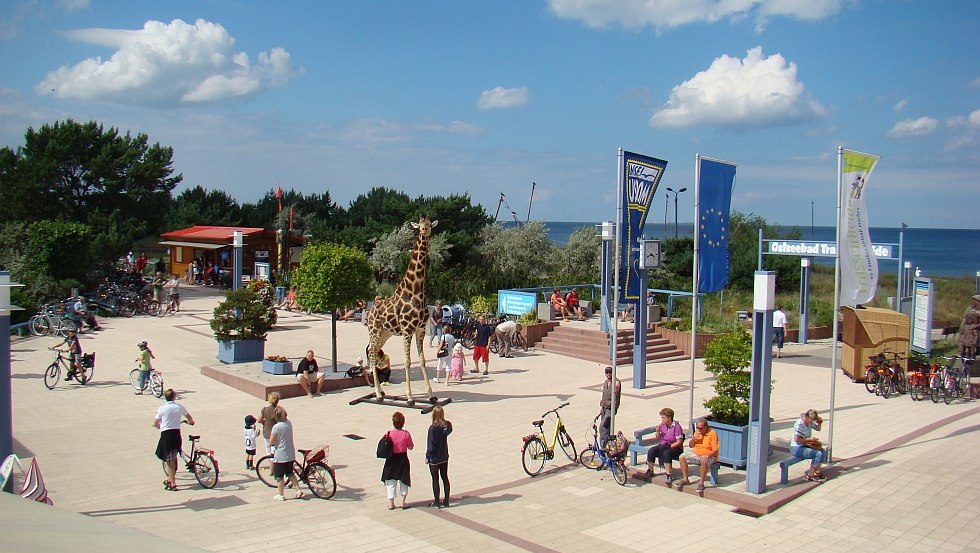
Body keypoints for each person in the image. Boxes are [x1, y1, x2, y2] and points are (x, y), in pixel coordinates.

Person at [153, 389, 195, 491]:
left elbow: (155, 422)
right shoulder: (179, 407)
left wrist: (158, 426)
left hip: (166, 436)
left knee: (170, 461)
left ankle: (172, 484)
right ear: (174, 397)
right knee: (172, 457)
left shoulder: (162, 408)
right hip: (176, 435)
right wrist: (191, 422)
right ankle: (169, 479)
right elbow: (189, 417)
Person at [642, 407, 685, 486]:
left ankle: (668, 474)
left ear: (669, 418)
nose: (662, 419)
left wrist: (670, 446)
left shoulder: (676, 427)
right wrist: (658, 431)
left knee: (666, 453)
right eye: (662, 417)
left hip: (675, 447)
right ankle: (650, 469)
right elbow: (658, 438)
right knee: (652, 450)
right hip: (663, 444)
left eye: (664, 417)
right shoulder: (663, 425)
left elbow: (679, 442)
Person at [381, 411, 414, 510]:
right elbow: (411, 447)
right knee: (404, 480)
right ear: (403, 423)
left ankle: (391, 503)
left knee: (391, 481)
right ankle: (403, 502)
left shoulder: (389, 433)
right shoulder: (406, 434)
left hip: (391, 459)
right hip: (402, 459)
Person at [269, 406, 303, 501]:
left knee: (279, 476)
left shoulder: (277, 427)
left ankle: (281, 494)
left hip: (280, 455)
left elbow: (271, 441)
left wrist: (275, 440)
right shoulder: (289, 423)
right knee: (290, 473)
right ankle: (298, 490)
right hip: (290, 453)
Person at [678, 417, 719, 493]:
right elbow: (690, 445)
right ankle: (685, 479)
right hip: (696, 453)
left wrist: (707, 456)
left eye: (701, 428)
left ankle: (701, 483)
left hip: (709, 455)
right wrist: (694, 438)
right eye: (697, 428)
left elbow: (715, 450)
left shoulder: (712, 434)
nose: (699, 430)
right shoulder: (697, 432)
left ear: (706, 427)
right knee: (681, 457)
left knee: (704, 459)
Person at [425, 406, 453, 508]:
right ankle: (446, 500)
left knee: (435, 479)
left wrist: (427, 456)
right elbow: (449, 429)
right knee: (445, 477)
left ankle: (437, 501)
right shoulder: (446, 425)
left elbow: (431, 444)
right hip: (444, 456)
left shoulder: (432, 428)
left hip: (434, 458)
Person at [790, 409, 826, 482]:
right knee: (817, 454)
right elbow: (797, 439)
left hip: (805, 445)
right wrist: (810, 439)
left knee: (822, 451)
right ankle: (810, 475)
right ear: (807, 417)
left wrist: (819, 422)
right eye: (811, 419)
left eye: (813, 420)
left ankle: (817, 472)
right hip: (796, 448)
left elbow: (818, 429)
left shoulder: (809, 422)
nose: (812, 421)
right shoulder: (799, 424)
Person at [599, 366, 622, 444]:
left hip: (611, 409)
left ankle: (603, 444)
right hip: (604, 407)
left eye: (610, 373)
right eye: (607, 373)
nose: (608, 374)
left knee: (602, 426)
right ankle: (608, 442)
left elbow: (616, 389)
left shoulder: (616, 382)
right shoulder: (606, 382)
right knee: (606, 427)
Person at [958, 295, 980, 359]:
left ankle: (975, 351)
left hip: (976, 328)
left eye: (975, 300)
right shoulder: (969, 308)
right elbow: (964, 317)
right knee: (966, 338)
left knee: (974, 338)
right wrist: (962, 326)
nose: (974, 301)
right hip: (968, 327)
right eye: (973, 300)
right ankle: (965, 352)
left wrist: (975, 326)